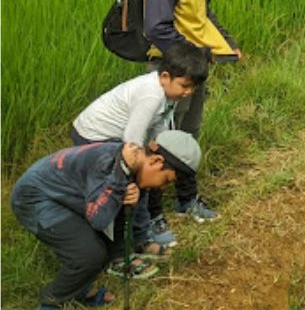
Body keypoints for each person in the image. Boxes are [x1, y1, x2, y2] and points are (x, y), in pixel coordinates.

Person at [10, 130, 201, 309]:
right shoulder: (112, 165)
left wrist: (130, 204)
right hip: (35, 198)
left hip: (67, 198)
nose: (162, 187)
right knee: (89, 255)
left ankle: (79, 290)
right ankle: (49, 302)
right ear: (157, 161)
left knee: (101, 249)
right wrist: (120, 175)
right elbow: (99, 220)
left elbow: (117, 221)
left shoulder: (134, 167)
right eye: (166, 180)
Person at [143, 0, 241, 236]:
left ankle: (187, 199)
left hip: (194, 70)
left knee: (187, 136)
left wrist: (225, 43)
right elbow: (156, 27)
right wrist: (190, 59)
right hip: (171, 74)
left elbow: (203, 14)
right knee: (159, 142)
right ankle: (151, 217)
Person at [70, 45, 210, 256]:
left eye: (193, 88)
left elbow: (159, 126)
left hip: (119, 138)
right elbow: (132, 140)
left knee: (141, 184)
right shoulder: (151, 95)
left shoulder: (168, 94)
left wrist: (158, 146)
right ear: (165, 76)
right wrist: (140, 165)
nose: (188, 92)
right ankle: (119, 248)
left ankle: (140, 237)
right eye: (184, 86)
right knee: (126, 188)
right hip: (95, 135)